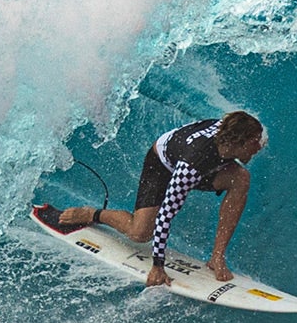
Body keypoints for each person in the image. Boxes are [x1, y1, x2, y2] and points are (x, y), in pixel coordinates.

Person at [35, 112, 266, 286]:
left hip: (208, 163)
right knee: (140, 233)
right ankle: (92, 214)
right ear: (239, 142)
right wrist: (158, 266)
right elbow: (166, 215)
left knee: (241, 177)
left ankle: (217, 257)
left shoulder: (230, 138)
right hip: (163, 165)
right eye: (254, 143)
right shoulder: (192, 164)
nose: (258, 147)